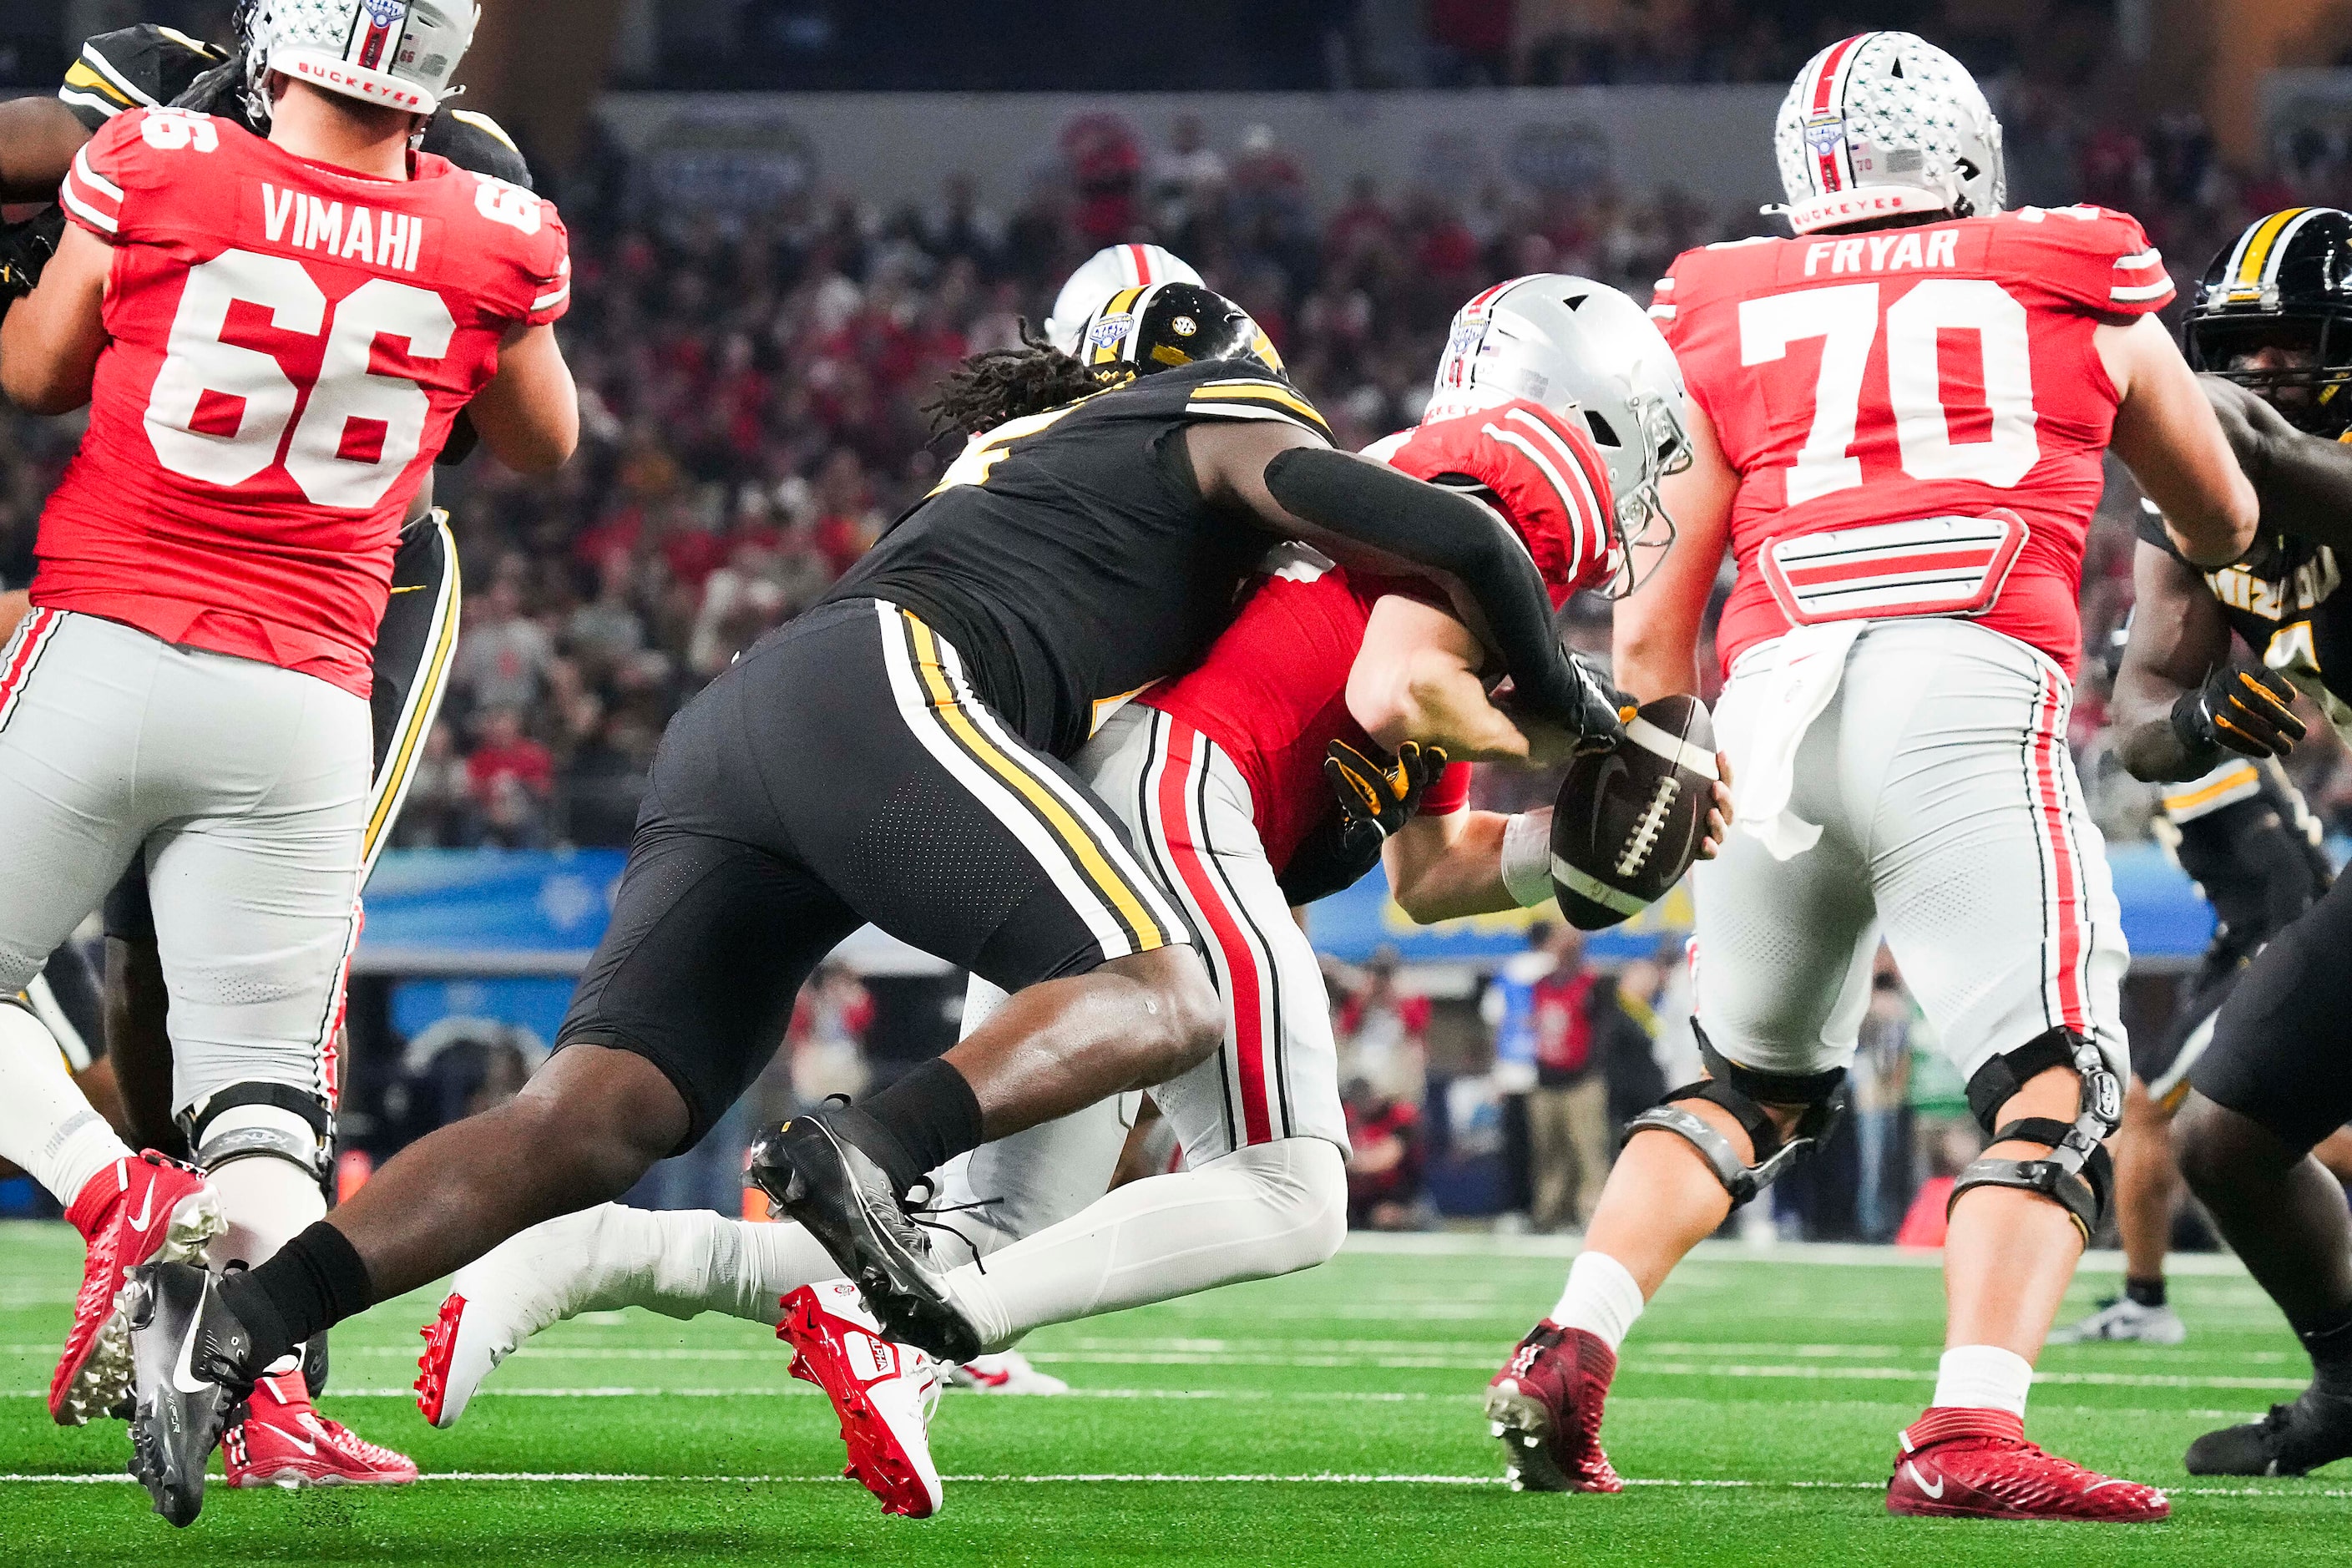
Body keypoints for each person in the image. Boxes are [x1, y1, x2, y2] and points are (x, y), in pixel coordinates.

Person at [129, 243, 1629, 1523]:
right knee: (1168, 986)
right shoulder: (1227, 410)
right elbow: (1442, 526)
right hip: (896, 687)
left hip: (759, 718)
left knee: (591, 1116)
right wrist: (1578, 716)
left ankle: (240, 1313)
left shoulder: (1046, 468)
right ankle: (864, 1143)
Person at [1487, 31, 2258, 1521]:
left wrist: (1666, 758)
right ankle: (1969, 1425)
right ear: (1967, 148)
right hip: (1964, 671)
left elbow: (1652, 616)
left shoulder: (1716, 301)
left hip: (1769, 701)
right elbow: (2219, 514)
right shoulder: (2069, 262)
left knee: (1744, 1081)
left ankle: (1573, 1333)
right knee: (2056, 1077)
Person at [0, 0, 578, 1523]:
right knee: (266, 1092)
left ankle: (116, 1197)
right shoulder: (498, 227)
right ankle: (266, 1397)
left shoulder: (160, 156)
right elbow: (545, 442)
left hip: (109, 638)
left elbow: (36, 366)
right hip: (311, 683)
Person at [2105, 205, 2352, 1475]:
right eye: (2239, 346)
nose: (2263, 370)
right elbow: (2133, 720)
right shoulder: (2203, 495)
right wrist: (2200, 717)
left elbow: (2241, 434)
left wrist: (2129, 374)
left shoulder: (2247, 446)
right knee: (2222, 1137)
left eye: (2295, 341)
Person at [2052, 757, 2329, 1343]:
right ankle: (2141, 1297)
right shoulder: (2209, 748)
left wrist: (2278, 971)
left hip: (2274, 951)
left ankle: (2144, 1301)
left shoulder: (2200, 752)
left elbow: (2285, 874)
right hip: (2254, 947)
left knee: (2147, 1106)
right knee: (2229, 1127)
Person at [1520, 926, 1626, 1233]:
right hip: (1547, 1078)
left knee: (1588, 1150)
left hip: (1582, 1080)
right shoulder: (1540, 984)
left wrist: (1592, 1066)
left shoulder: (1592, 984)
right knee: (1549, 1152)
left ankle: (1592, 1214)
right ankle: (1549, 1212)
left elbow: (1605, 1030)